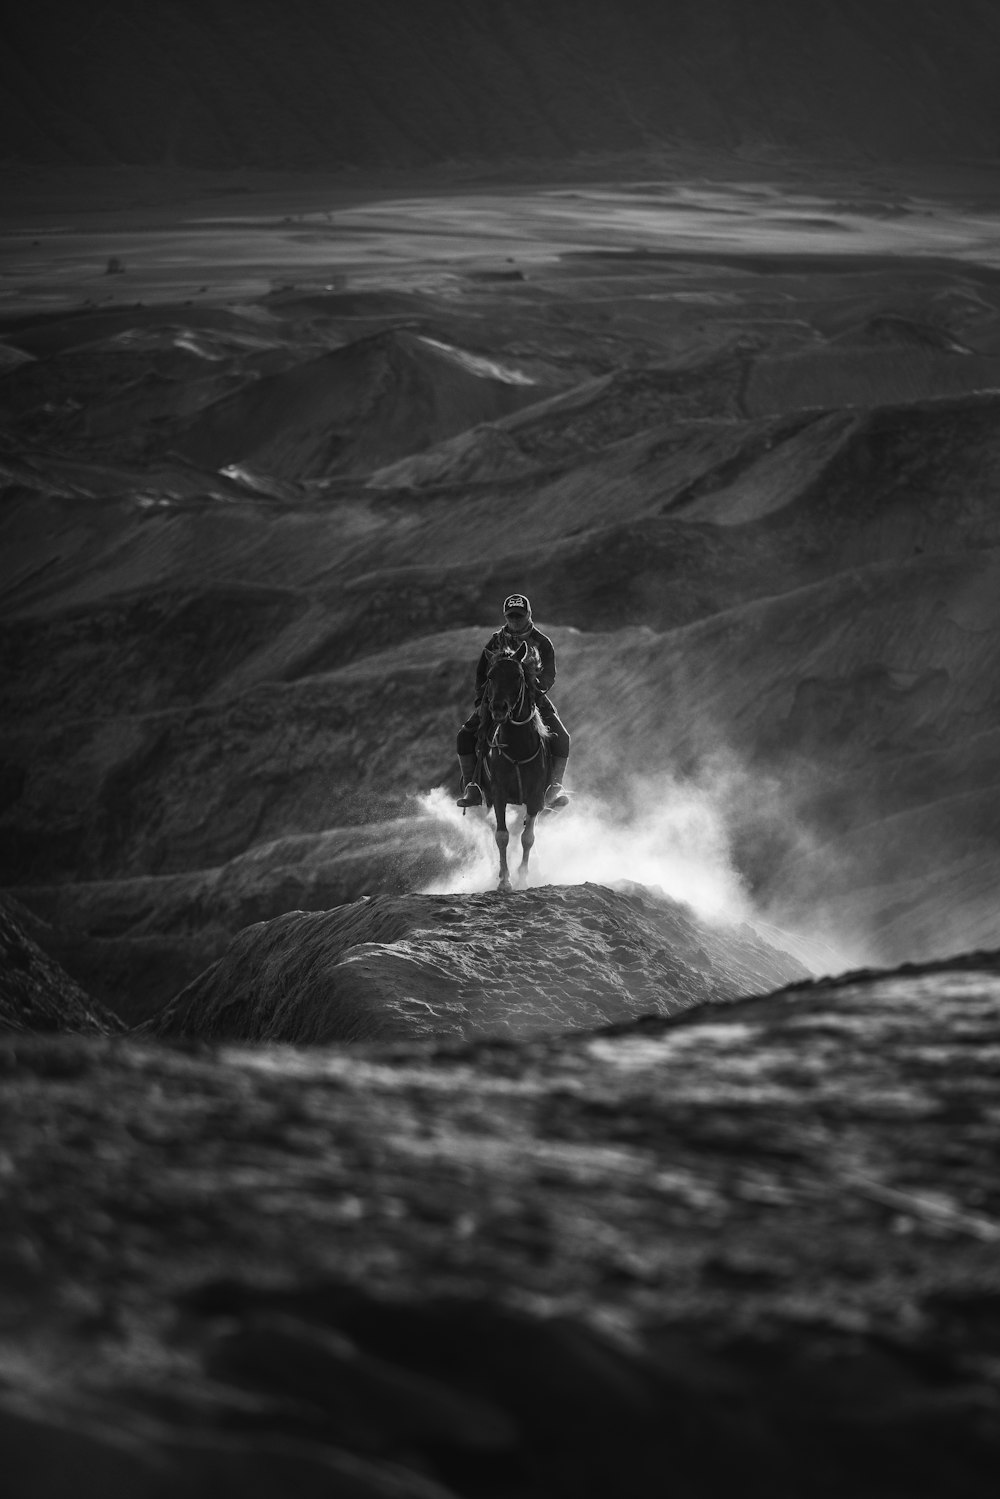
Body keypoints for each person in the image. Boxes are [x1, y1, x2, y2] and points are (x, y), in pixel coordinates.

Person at [456, 593, 570, 809]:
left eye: (519, 615)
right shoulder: (495, 641)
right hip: (497, 700)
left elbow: (549, 675)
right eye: (511, 616)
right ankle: (472, 786)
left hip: (532, 700)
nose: (515, 620)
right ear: (505, 616)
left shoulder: (543, 642)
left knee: (562, 737)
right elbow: (482, 674)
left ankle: (554, 788)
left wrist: (533, 693)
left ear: (528, 614)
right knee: (464, 736)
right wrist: (483, 700)